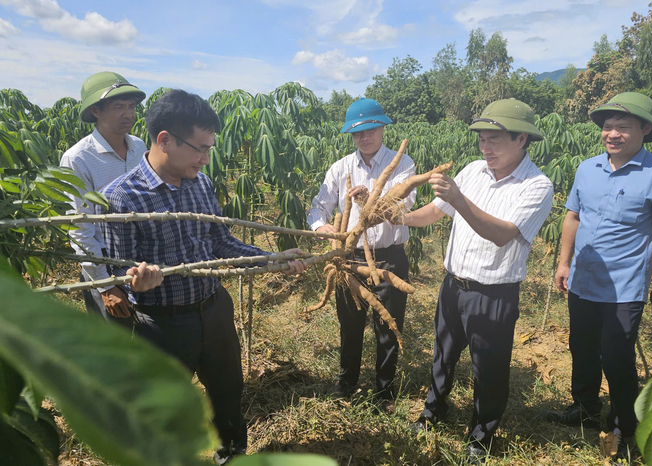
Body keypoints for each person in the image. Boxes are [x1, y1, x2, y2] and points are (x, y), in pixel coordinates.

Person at [99, 89, 307, 465]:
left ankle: (231, 453)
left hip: (214, 312)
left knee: (228, 394)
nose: (206, 159)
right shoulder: (122, 198)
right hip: (162, 325)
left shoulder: (201, 185)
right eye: (199, 149)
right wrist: (135, 285)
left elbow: (221, 242)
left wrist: (271, 258)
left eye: (209, 149)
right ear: (165, 140)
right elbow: (120, 269)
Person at [401, 99, 553, 464]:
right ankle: (432, 412)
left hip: (493, 293)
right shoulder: (472, 171)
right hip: (453, 285)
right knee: (443, 356)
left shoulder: (536, 186)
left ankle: (482, 436)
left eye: (494, 141)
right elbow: (432, 214)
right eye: (482, 140)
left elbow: (501, 234)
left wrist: (459, 198)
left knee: (489, 367)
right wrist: (393, 215)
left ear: (522, 140)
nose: (485, 149)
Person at [548, 92, 652, 463]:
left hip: (624, 285)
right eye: (608, 127)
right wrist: (563, 263)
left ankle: (625, 425)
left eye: (623, 126)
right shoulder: (587, 168)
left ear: (645, 129)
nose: (613, 133)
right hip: (584, 280)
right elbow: (572, 216)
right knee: (582, 347)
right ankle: (585, 409)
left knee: (617, 355)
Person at [307, 98, 416, 412]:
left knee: (389, 326)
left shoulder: (402, 163)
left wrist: (372, 200)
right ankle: (347, 384)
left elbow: (402, 206)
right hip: (350, 260)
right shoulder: (341, 168)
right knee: (350, 325)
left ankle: (384, 394)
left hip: (389, 259)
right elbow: (318, 207)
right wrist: (322, 227)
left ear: (382, 128)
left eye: (369, 130)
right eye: (357, 133)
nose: (363, 137)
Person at [60, 71, 147, 326]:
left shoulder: (139, 147)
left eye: (131, 106)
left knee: (149, 339)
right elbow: (80, 228)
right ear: (96, 111)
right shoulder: (78, 158)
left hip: (141, 255)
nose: (128, 114)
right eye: (118, 106)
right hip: (105, 259)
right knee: (116, 341)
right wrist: (105, 286)